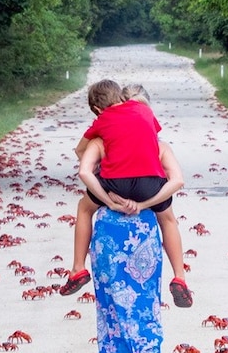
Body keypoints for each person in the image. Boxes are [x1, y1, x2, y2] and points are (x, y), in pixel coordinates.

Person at [59, 80, 192, 308]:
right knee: (168, 220)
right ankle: (180, 275)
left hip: (115, 185)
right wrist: (145, 202)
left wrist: (107, 196)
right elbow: (152, 140)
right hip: (149, 185)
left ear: (98, 109)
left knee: (83, 208)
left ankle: (78, 267)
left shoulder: (102, 122)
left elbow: (81, 153)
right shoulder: (145, 114)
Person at [91, 205, 163, 352]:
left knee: (110, 312)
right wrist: (141, 204)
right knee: (147, 307)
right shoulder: (152, 185)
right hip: (145, 230)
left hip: (108, 232)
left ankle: (77, 267)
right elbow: (176, 184)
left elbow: (85, 206)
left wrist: (110, 201)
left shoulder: (106, 185)